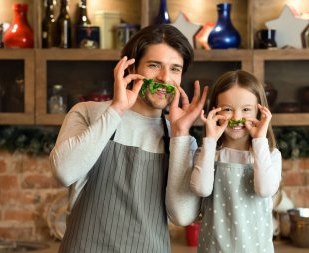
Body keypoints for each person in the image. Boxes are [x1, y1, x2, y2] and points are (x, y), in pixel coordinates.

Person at [49, 24, 207, 253]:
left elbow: (182, 216)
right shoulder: (88, 113)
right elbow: (64, 173)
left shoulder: (179, 138)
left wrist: (181, 135)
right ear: (131, 67)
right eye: (154, 66)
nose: (165, 78)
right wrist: (117, 110)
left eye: (175, 69)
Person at [190, 70, 282, 253]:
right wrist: (210, 141)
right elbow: (201, 189)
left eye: (246, 109)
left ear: (260, 111)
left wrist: (259, 141)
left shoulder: (269, 155)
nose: (236, 118)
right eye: (228, 109)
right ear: (214, 111)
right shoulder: (207, 153)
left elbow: (264, 190)